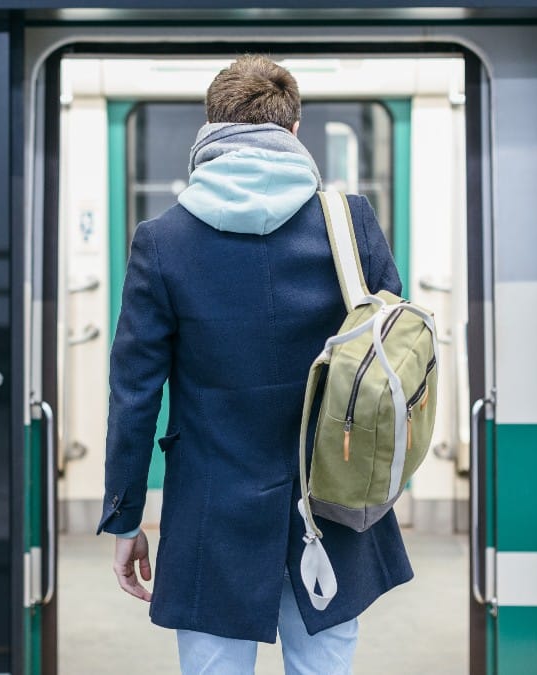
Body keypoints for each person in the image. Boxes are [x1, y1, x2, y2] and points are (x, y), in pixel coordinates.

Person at [97, 54, 412, 674]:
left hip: (211, 510)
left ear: (209, 133)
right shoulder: (350, 223)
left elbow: (133, 393)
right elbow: (394, 364)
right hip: (333, 499)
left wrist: (125, 517)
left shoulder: (161, 242)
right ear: (293, 132)